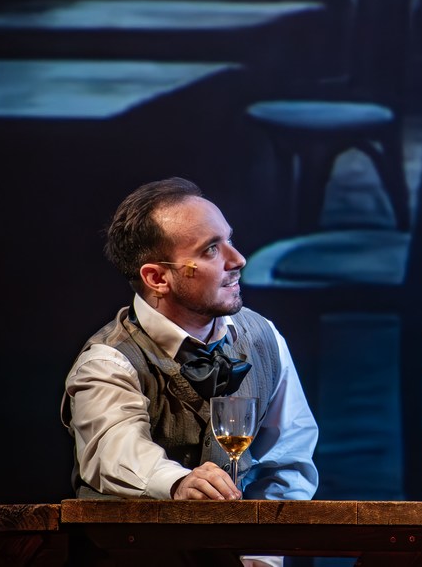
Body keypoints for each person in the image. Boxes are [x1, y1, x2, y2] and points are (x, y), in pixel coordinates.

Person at [61, 177, 318, 567]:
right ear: (157, 278)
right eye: (211, 249)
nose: (237, 259)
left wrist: (261, 557)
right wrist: (179, 482)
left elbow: (286, 461)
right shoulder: (108, 361)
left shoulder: (264, 338)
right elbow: (115, 452)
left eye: (229, 240)